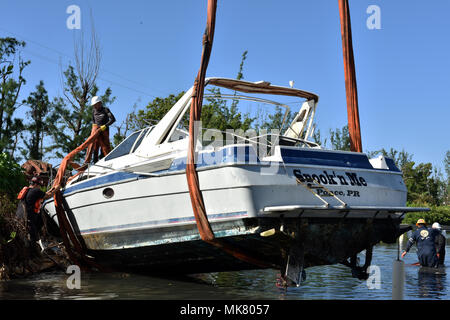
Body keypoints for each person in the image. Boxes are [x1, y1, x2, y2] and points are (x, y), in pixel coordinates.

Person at [16, 177, 52, 250]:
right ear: (36, 184)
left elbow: (46, 193)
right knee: (32, 239)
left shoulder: (26, 191)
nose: (40, 187)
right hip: (28, 218)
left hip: (18, 217)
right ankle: (32, 254)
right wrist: (57, 189)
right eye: (39, 185)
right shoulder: (36, 190)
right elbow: (48, 195)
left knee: (23, 236)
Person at [90, 96, 116, 162]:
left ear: (100, 103)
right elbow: (93, 121)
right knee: (95, 148)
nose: (94, 107)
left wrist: (105, 126)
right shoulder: (93, 111)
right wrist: (94, 129)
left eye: (95, 105)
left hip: (104, 131)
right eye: (93, 105)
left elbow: (113, 119)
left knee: (104, 148)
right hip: (97, 131)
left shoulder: (105, 110)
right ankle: (95, 163)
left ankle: (104, 161)